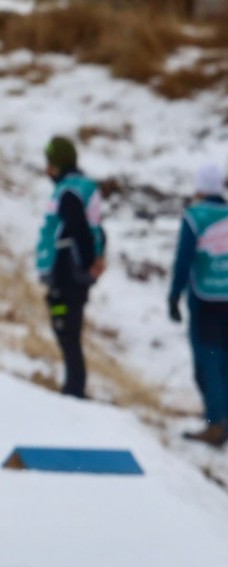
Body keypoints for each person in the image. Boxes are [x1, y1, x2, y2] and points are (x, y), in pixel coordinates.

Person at [167, 162, 228, 447]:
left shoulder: (195, 217)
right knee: (225, 362)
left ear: (199, 187)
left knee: (206, 362)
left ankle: (216, 423)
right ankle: (226, 420)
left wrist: (174, 296)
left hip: (205, 298)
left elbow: (184, 259)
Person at [35, 136, 106, 399]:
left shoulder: (69, 192)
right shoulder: (81, 187)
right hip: (71, 273)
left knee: (66, 327)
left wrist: (88, 266)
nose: (47, 169)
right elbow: (96, 228)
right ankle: (73, 385)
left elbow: (80, 231)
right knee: (67, 327)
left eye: (50, 164)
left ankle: (74, 389)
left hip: (67, 273)